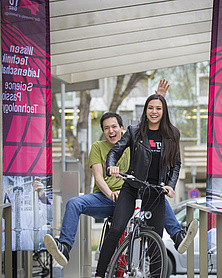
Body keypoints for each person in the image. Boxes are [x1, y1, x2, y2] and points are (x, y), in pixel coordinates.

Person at [44, 80, 198, 267]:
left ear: (122, 129)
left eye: (114, 127)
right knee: (74, 203)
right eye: (106, 128)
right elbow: (99, 177)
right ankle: (64, 247)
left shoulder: (134, 140)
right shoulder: (98, 147)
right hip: (108, 198)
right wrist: (110, 193)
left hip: (134, 195)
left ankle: (178, 236)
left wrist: (159, 100)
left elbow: (151, 125)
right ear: (103, 131)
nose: (111, 131)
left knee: (158, 195)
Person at [92, 93, 181, 278]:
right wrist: (111, 165)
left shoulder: (172, 135)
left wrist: (170, 185)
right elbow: (115, 151)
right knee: (117, 228)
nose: (154, 112)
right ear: (146, 110)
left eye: (158, 108)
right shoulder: (134, 131)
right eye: (150, 107)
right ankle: (100, 275)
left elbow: (176, 164)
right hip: (132, 187)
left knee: (155, 245)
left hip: (155, 193)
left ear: (164, 111)